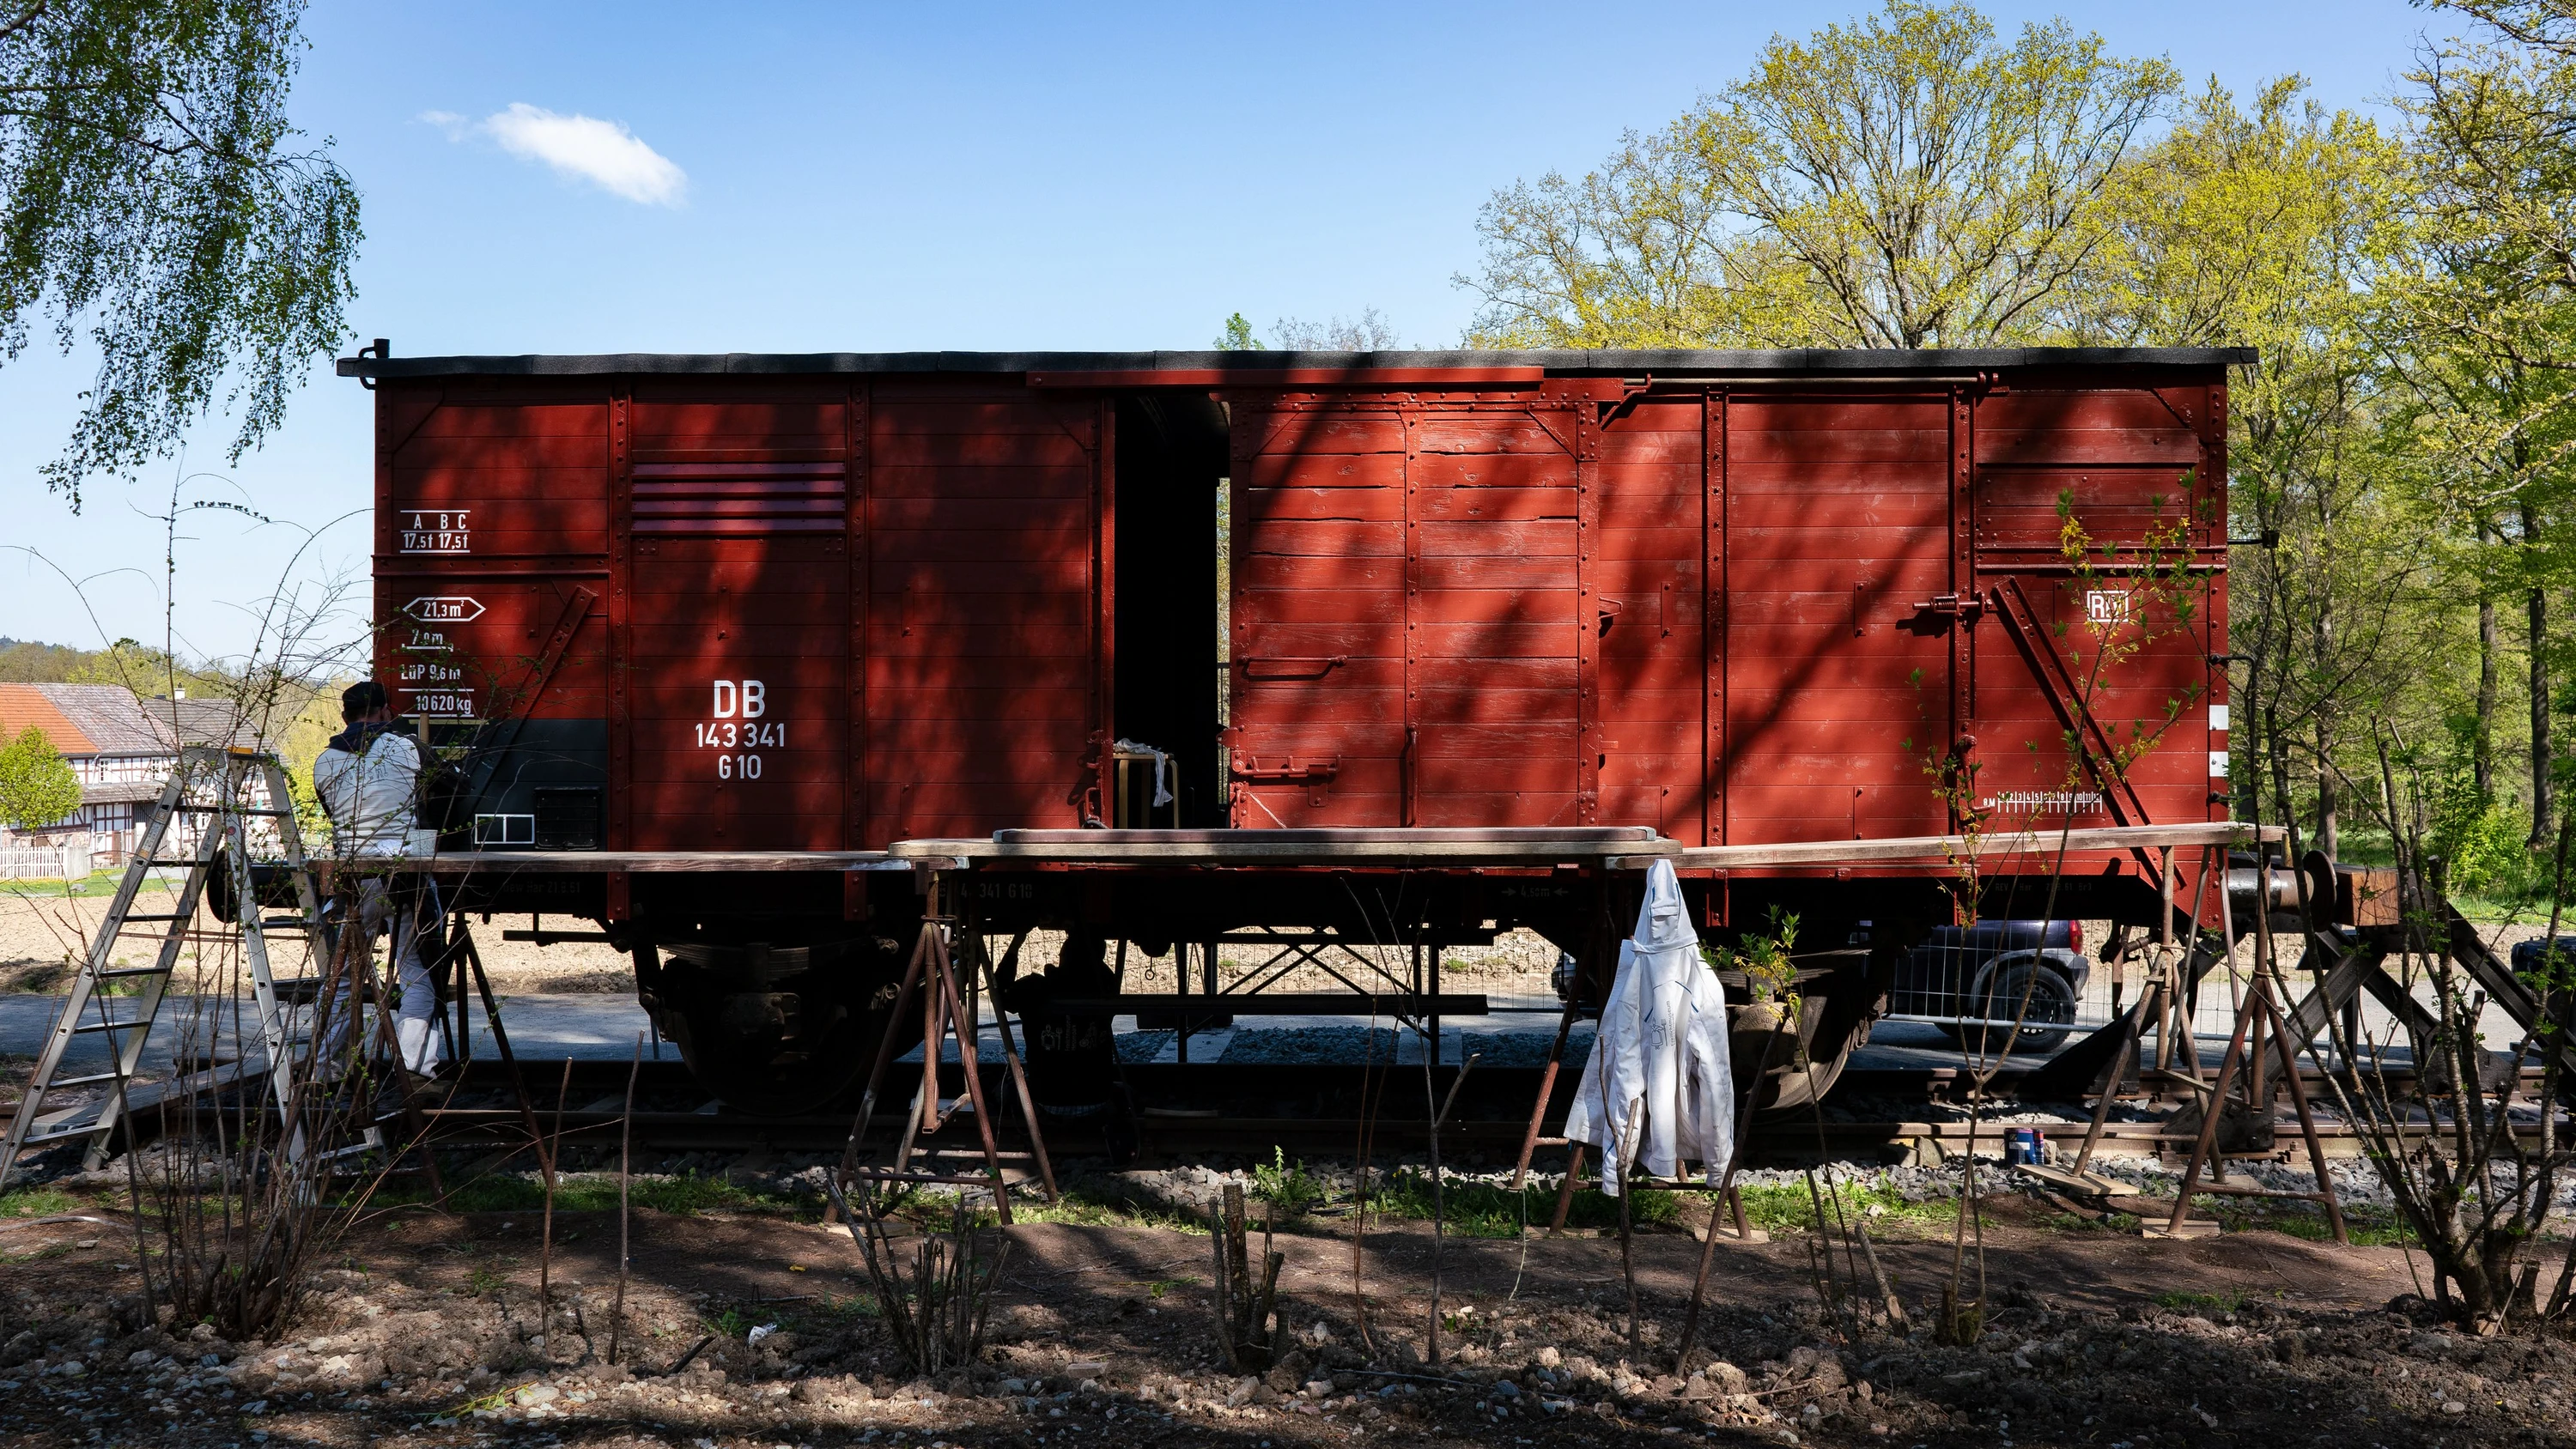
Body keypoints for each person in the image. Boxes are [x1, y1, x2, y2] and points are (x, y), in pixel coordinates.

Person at [312, 680, 440, 1079]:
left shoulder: (323, 761)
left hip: (351, 875)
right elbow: (445, 795)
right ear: (385, 711)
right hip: (403, 874)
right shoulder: (408, 748)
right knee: (417, 968)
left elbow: (334, 816)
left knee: (342, 972)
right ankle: (416, 1066)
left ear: (344, 715)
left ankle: (327, 1066)